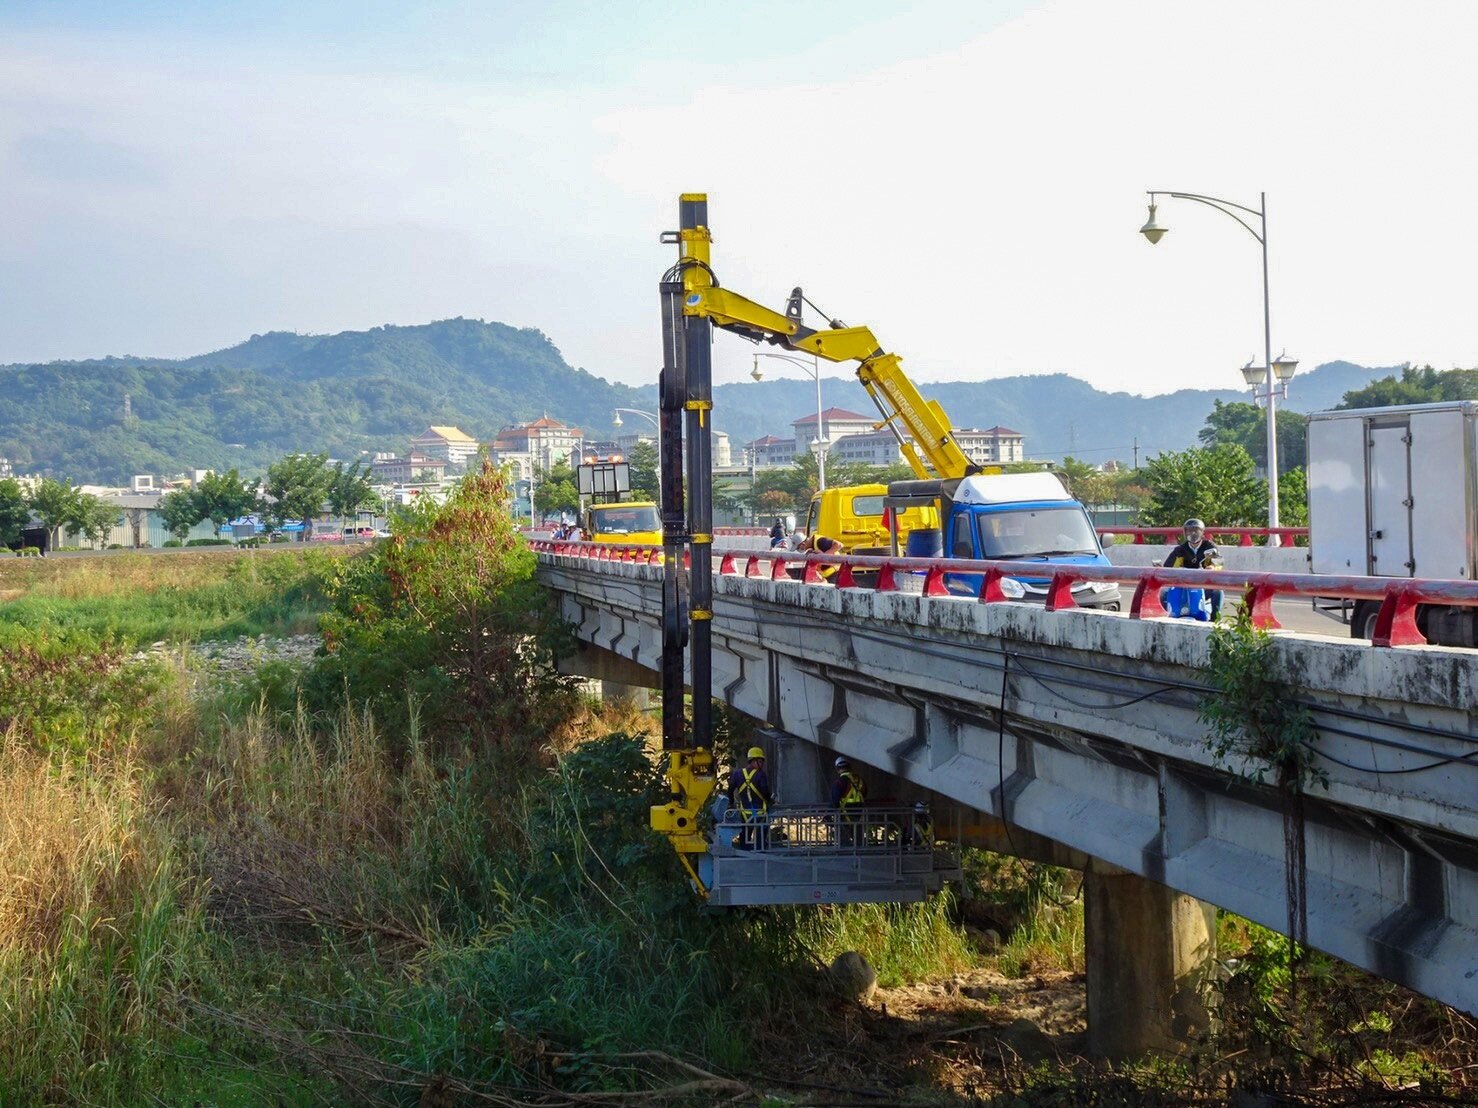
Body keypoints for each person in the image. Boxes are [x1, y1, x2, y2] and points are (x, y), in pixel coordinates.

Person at [1163, 518, 1222, 619]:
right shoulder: (1180, 549)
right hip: (1182, 584)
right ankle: (1163, 615)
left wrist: (1212, 567)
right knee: (1163, 592)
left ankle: (1215, 618)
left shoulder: (1209, 546)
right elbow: (1168, 566)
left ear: (1202, 532)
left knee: (1217, 591)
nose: (1192, 533)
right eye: (1189, 531)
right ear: (1185, 533)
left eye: (1196, 530)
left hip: (1203, 583)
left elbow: (1218, 561)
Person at [727, 746, 772, 849]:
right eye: (760, 762)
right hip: (760, 812)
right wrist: (770, 801)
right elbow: (764, 791)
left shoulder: (737, 773)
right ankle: (760, 849)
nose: (761, 764)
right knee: (761, 831)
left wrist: (731, 802)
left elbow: (730, 790)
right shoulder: (760, 775)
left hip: (745, 812)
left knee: (745, 833)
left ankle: (744, 849)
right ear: (753, 761)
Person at [830, 756, 866, 846]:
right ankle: (861, 854)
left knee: (843, 840)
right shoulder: (859, 780)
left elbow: (835, 801)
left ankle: (845, 853)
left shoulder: (839, 782)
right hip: (860, 813)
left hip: (844, 815)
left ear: (837, 769)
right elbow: (864, 793)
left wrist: (829, 814)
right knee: (859, 839)